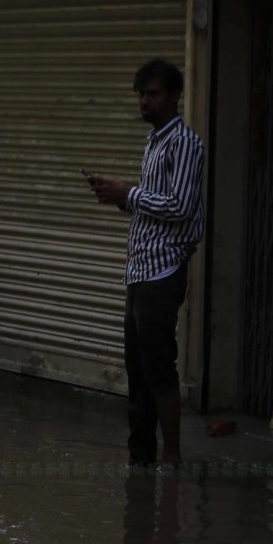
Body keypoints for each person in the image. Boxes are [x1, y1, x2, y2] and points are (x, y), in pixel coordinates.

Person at [87, 58, 204, 471]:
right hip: (138, 269)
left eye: (153, 94)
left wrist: (130, 193)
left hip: (163, 271)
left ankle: (171, 455)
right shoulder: (153, 142)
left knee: (158, 368)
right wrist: (119, 197)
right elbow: (151, 207)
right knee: (137, 371)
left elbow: (181, 206)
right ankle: (141, 458)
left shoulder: (184, 143)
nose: (145, 101)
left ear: (174, 95)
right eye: (141, 94)